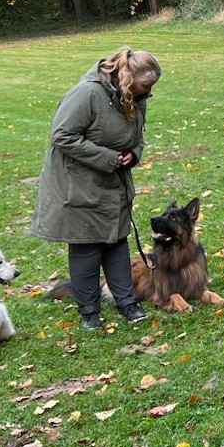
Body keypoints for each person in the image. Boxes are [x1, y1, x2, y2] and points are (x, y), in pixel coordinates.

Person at [31, 47, 160, 329]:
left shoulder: (136, 97)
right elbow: (61, 135)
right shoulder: (87, 94)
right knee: (87, 246)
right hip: (79, 184)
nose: (149, 92)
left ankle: (127, 302)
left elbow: (138, 136)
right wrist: (108, 158)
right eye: (146, 85)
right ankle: (89, 312)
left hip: (114, 182)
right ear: (128, 78)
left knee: (116, 241)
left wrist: (133, 154)